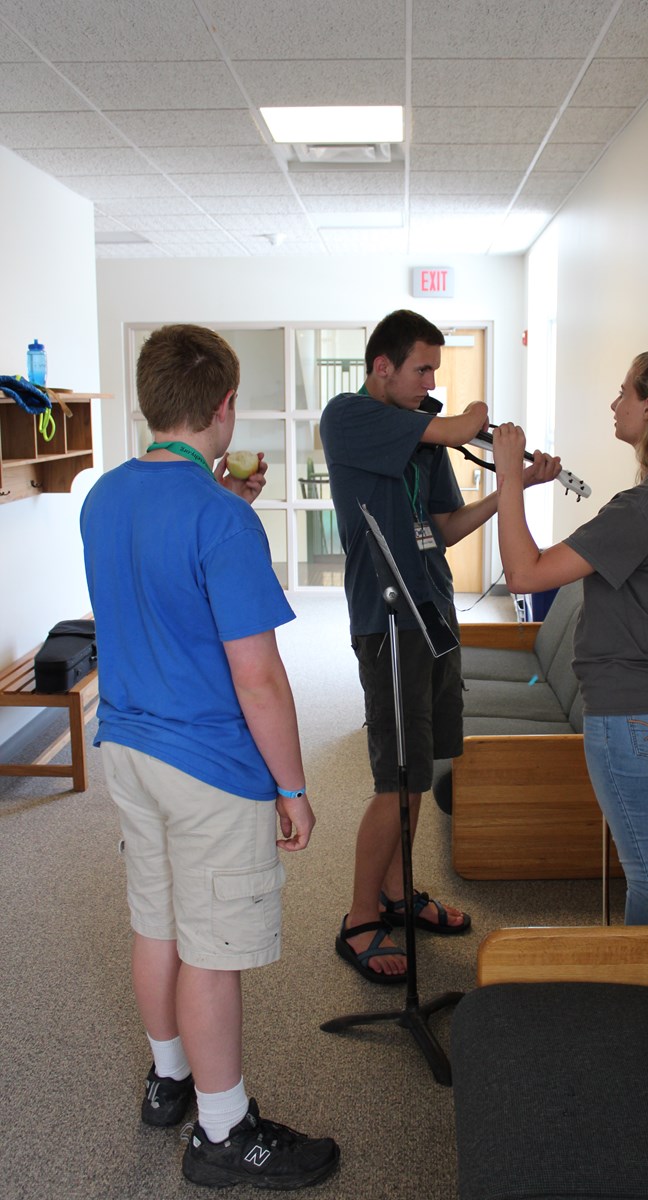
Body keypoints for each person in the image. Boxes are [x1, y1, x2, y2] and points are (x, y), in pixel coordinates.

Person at [80, 324, 339, 1190]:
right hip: (209, 767)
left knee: (156, 922)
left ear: (150, 402)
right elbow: (258, 678)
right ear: (224, 407)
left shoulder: (102, 497)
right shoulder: (221, 520)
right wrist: (292, 786)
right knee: (212, 950)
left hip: (127, 748)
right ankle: (223, 1133)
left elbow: (158, 574)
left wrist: (223, 498)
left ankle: (170, 1080)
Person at [319, 309, 560, 983]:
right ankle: (360, 917)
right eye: (423, 369)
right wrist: (482, 421)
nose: (431, 383)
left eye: (435, 371)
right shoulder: (349, 416)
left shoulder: (421, 436)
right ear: (382, 367)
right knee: (394, 779)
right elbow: (458, 426)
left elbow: (446, 526)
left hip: (435, 612)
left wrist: (511, 484)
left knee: (418, 770)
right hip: (389, 621)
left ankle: (398, 894)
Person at [492, 350, 648, 925]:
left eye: (625, 392)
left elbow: (524, 574)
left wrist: (508, 477)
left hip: (631, 711)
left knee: (646, 872)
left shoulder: (641, 509)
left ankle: (647, 978)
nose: (614, 403)